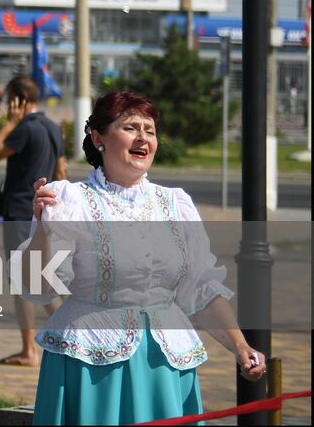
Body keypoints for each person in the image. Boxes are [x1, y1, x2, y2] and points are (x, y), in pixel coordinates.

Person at [22, 90, 266, 425]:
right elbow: (37, 288)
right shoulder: (69, 200)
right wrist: (42, 232)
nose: (143, 138)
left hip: (164, 364)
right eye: (131, 127)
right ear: (99, 138)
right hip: (90, 363)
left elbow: (202, 290)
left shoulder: (175, 204)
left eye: (149, 130)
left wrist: (241, 347)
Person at [0, 75, 66, 367]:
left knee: (22, 280)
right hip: (45, 210)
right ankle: (72, 332)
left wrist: (9, 123)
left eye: (9, 100)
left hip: (20, 211)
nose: (7, 105)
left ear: (18, 100)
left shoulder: (25, 128)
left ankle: (28, 350)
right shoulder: (54, 127)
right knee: (42, 276)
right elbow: (62, 169)